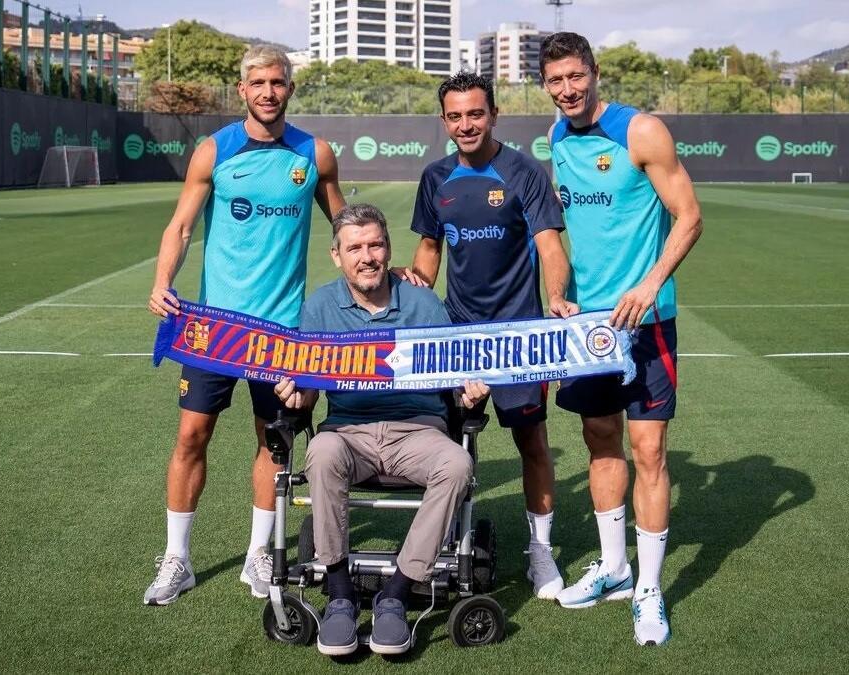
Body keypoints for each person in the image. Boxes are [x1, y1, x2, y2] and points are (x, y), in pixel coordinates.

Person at [143, 45, 346, 606]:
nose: (267, 92)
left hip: (282, 331)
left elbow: (343, 225)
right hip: (215, 327)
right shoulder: (214, 152)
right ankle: (178, 559)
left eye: (277, 82)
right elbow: (181, 227)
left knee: (272, 442)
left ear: (289, 88)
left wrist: (381, 267)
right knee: (191, 436)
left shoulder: (315, 154)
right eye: (257, 83)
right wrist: (163, 280)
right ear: (242, 90)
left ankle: (259, 553)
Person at [539, 33, 703, 646]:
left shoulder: (642, 132)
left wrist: (650, 284)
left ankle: (650, 590)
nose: (567, 89)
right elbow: (567, 230)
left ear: (595, 72)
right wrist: (560, 292)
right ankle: (613, 567)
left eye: (575, 76)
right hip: (587, 330)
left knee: (650, 450)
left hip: (646, 322)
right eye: (555, 80)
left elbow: (690, 217)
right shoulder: (557, 138)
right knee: (598, 437)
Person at [274, 203, 489, 656]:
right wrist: (297, 396)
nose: (366, 256)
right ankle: (339, 594)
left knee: (456, 462)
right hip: (350, 431)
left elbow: (454, 383)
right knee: (323, 451)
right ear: (337, 256)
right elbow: (309, 391)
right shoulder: (319, 307)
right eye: (355, 248)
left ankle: (397, 592)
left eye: (375, 244)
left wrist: (469, 395)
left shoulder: (424, 304)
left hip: (419, 431)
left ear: (389, 249)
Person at [406, 72, 576, 600]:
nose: (465, 124)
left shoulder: (523, 171)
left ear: (494, 114)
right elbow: (429, 252)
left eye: (475, 114)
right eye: (455, 116)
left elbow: (549, 245)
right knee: (448, 442)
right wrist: (413, 293)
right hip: (458, 335)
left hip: (519, 336)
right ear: (444, 122)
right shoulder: (435, 177)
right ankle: (447, 540)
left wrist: (556, 299)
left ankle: (540, 553)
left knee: (532, 441)